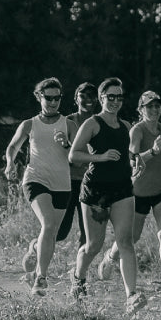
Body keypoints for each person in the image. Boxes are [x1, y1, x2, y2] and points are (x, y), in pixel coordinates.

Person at [69, 77, 147, 313]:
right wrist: (100, 157)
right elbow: (74, 155)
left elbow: (127, 153)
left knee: (125, 242)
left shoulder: (125, 125)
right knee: (93, 245)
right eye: (110, 96)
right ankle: (78, 278)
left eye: (119, 97)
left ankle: (131, 296)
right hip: (96, 191)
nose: (115, 101)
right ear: (101, 98)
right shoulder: (92, 123)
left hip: (122, 189)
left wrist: (136, 159)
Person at [99, 91, 161, 299]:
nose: (154, 109)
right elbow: (132, 159)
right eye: (149, 106)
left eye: (157, 105)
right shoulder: (137, 130)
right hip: (139, 192)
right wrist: (152, 151)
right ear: (141, 109)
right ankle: (110, 257)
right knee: (131, 238)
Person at [4, 77, 78, 296]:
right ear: (39, 97)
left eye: (57, 98)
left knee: (54, 233)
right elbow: (13, 147)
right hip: (35, 179)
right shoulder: (29, 124)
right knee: (48, 223)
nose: (53, 102)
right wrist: (10, 163)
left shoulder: (69, 125)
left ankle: (35, 247)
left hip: (62, 184)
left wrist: (66, 143)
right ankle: (41, 278)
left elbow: (78, 156)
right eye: (49, 98)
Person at [55, 83, 97, 256]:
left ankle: (80, 270)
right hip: (67, 182)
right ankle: (36, 247)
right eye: (83, 95)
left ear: (98, 99)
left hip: (92, 182)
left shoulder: (101, 122)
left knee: (88, 233)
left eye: (92, 95)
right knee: (60, 232)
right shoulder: (67, 122)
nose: (88, 99)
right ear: (75, 99)